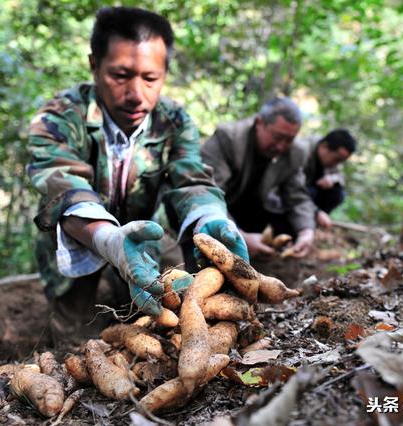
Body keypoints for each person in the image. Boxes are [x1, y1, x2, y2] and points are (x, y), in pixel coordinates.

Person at [27, 7, 247, 344]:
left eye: (150, 78)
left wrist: (211, 217)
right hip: (80, 238)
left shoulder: (173, 120)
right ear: (94, 65)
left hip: (145, 235)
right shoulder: (59, 117)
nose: (135, 94)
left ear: (164, 74)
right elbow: (63, 187)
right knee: (73, 340)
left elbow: (190, 178)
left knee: (167, 318)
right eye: (120, 76)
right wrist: (110, 241)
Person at [201, 97, 317, 259]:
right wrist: (236, 235)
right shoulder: (226, 139)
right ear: (259, 123)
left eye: (289, 140)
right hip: (216, 207)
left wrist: (306, 231)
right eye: (277, 137)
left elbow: (296, 197)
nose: (281, 146)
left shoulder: (296, 153)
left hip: (250, 207)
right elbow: (207, 194)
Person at [302, 129, 357, 228]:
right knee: (311, 192)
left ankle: (312, 225)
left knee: (337, 193)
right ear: (324, 146)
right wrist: (316, 212)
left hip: (309, 198)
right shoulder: (302, 152)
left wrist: (332, 178)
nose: (337, 163)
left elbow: (340, 177)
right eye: (337, 159)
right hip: (294, 197)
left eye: (341, 161)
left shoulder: (331, 159)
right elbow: (292, 189)